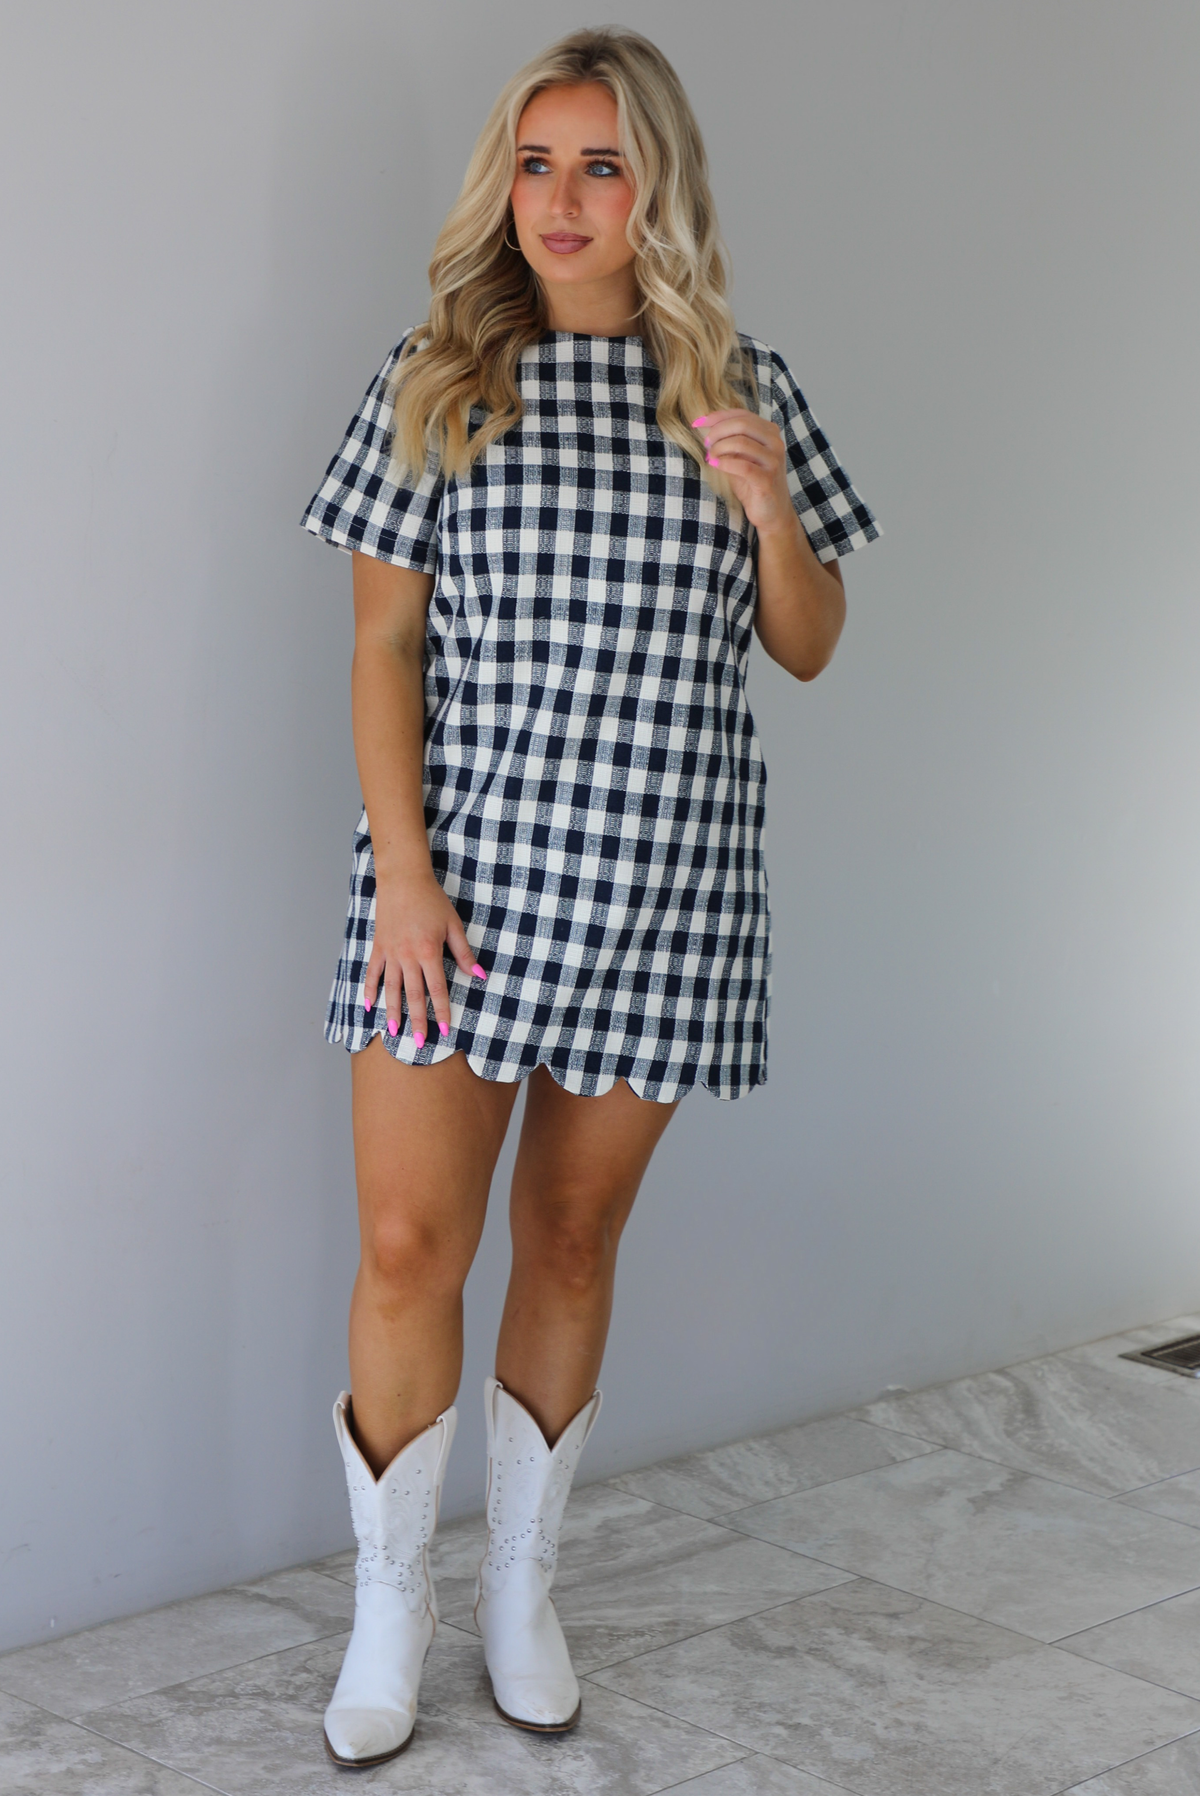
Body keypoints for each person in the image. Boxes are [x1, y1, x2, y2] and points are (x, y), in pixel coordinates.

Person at [301, 24, 879, 1768]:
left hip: (666, 890)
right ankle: (389, 1612)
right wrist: (403, 873)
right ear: (507, 186)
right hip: (456, 897)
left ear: (658, 191)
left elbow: (809, 646)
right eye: (538, 164)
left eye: (601, 166)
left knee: (569, 1239)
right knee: (411, 1248)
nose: (563, 200)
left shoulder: (740, 386)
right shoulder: (438, 378)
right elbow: (381, 643)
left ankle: (518, 1590)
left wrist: (774, 515)